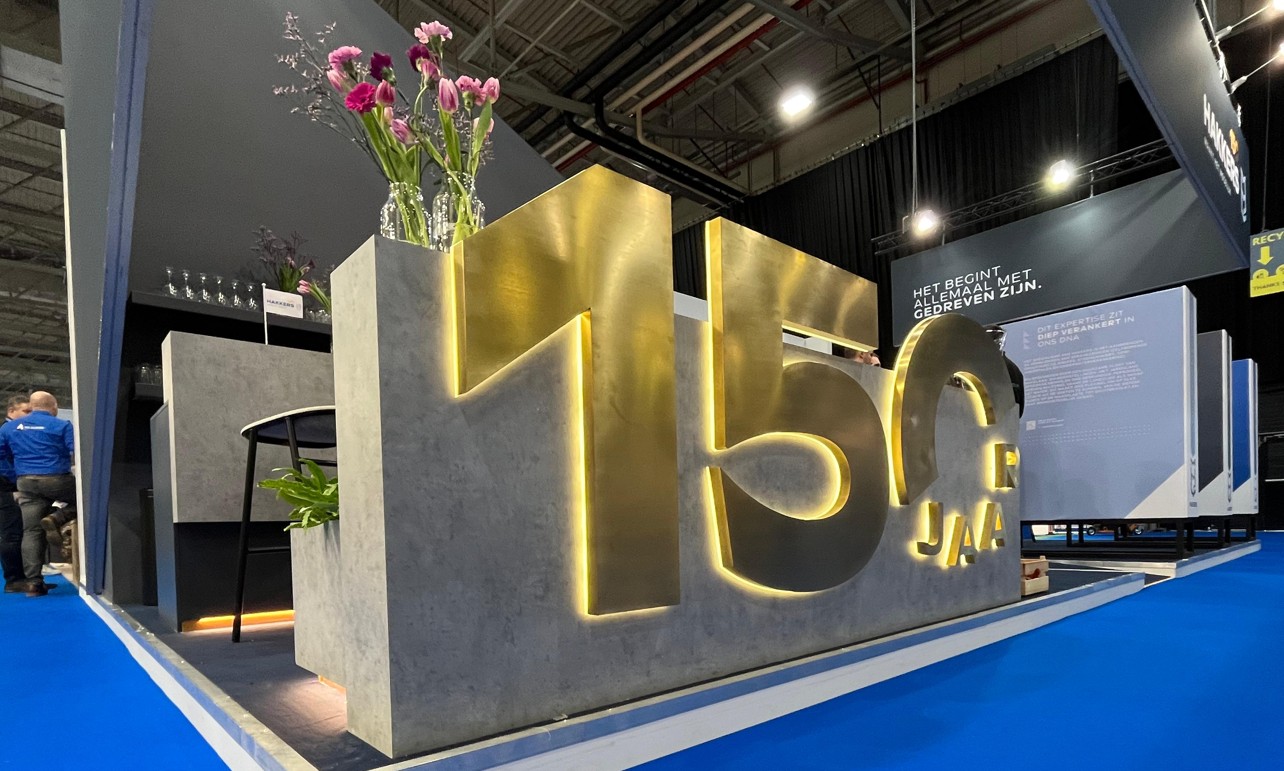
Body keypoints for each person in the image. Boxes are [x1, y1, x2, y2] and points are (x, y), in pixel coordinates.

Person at [0, 391, 76, 597]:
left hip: (26, 482)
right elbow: (77, 451)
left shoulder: (8, 428)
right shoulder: (62, 425)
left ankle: (33, 584)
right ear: (53, 406)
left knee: (31, 531)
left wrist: (16, 472)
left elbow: (1, 455)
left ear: (32, 406)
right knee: (85, 500)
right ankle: (58, 517)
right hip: (58, 480)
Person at [0, 395, 31, 592]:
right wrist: (16, 484)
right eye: (26, 411)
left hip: (12, 486)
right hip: (6, 488)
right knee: (11, 534)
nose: (29, 416)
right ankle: (13, 580)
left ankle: (21, 576)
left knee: (17, 532)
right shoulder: (6, 431)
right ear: (11, 411)